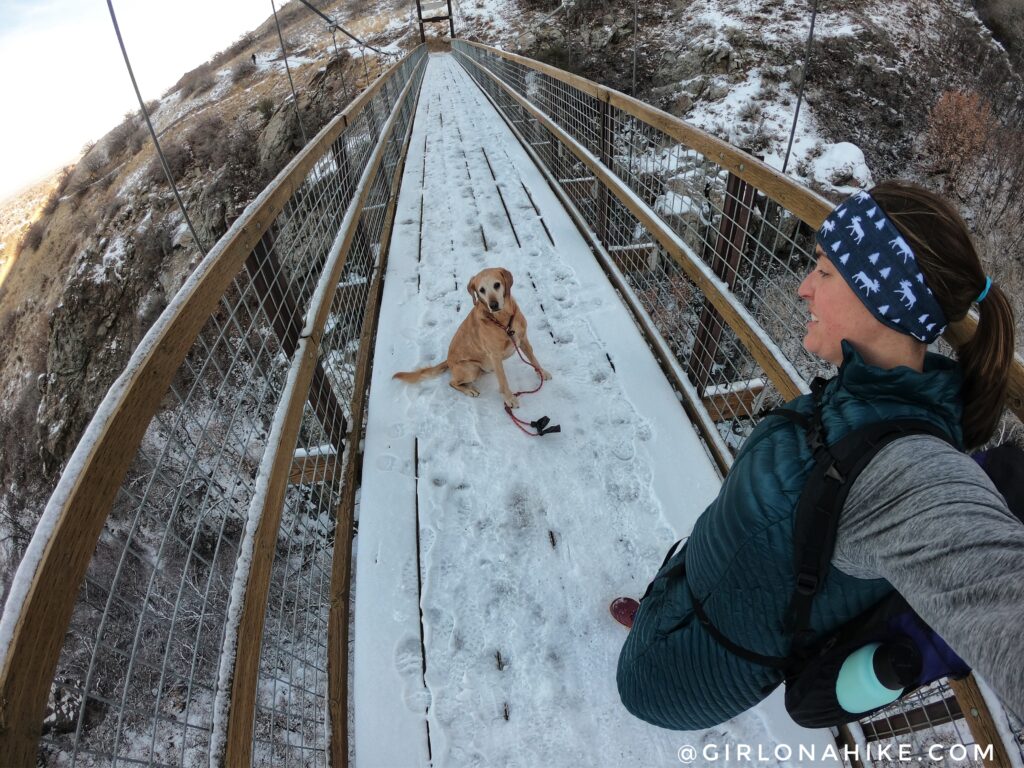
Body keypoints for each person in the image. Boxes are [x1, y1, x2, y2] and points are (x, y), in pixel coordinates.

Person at [615, 180, 1024, 728]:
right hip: (685, 590)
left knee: (633, 685)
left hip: (682, 681)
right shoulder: (865, 390)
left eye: (825, 270)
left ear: (883, 298)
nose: (804, 288)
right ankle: (653, 613)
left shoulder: (905, 476)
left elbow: (997, 595)